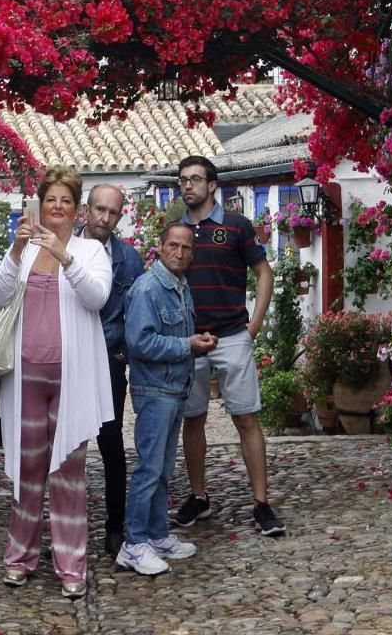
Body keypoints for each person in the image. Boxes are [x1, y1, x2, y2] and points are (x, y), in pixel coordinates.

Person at [0, 166, 113, 599]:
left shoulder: (90, 250)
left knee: (69, 475)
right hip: (25, 379)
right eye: (51, 199)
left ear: (76, 210)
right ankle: (18, 559)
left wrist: (64, 257)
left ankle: (71, 565)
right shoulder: (22, 250)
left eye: (65, 201)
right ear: (39, 204)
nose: (57, 207)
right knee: (27, 472)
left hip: (71, 381)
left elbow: (98, 297)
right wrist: (16, 251)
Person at [173, 156, 286, 537]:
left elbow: (263, 272)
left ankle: (261, 503)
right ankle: (199, 496)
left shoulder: (236, 226)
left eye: (195, 179)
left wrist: (254, 325)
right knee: (194, 419)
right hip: (192, 340)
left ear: (213, 185)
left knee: (247, 418)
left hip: (233, 336)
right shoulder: (176, 232)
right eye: (182, 180)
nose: (188, 186)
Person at [117, 222, 216, 575]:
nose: (180, 252)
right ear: (159, 247)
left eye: (186, 248)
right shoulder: (148, 289)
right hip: (154, 391)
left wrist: (195, 340)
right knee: (148, 469)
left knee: (162, 469)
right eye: (173, 246)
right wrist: (187, 345)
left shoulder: (180, 286)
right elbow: (139, 343)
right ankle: (133, 543)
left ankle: (157, 535)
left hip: (175, 388)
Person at [79, 184, 144, 556]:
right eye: (99, 210)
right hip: (70, 358)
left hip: (108, 361)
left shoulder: (128, 259)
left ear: (120, 215)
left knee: (111, 443)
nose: (105, 218)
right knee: (65, 447)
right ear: (86, 210)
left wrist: (122, 355)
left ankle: (115, 526)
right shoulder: (65, 250)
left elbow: (135, 313)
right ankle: (61, 528)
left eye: (113, 212)